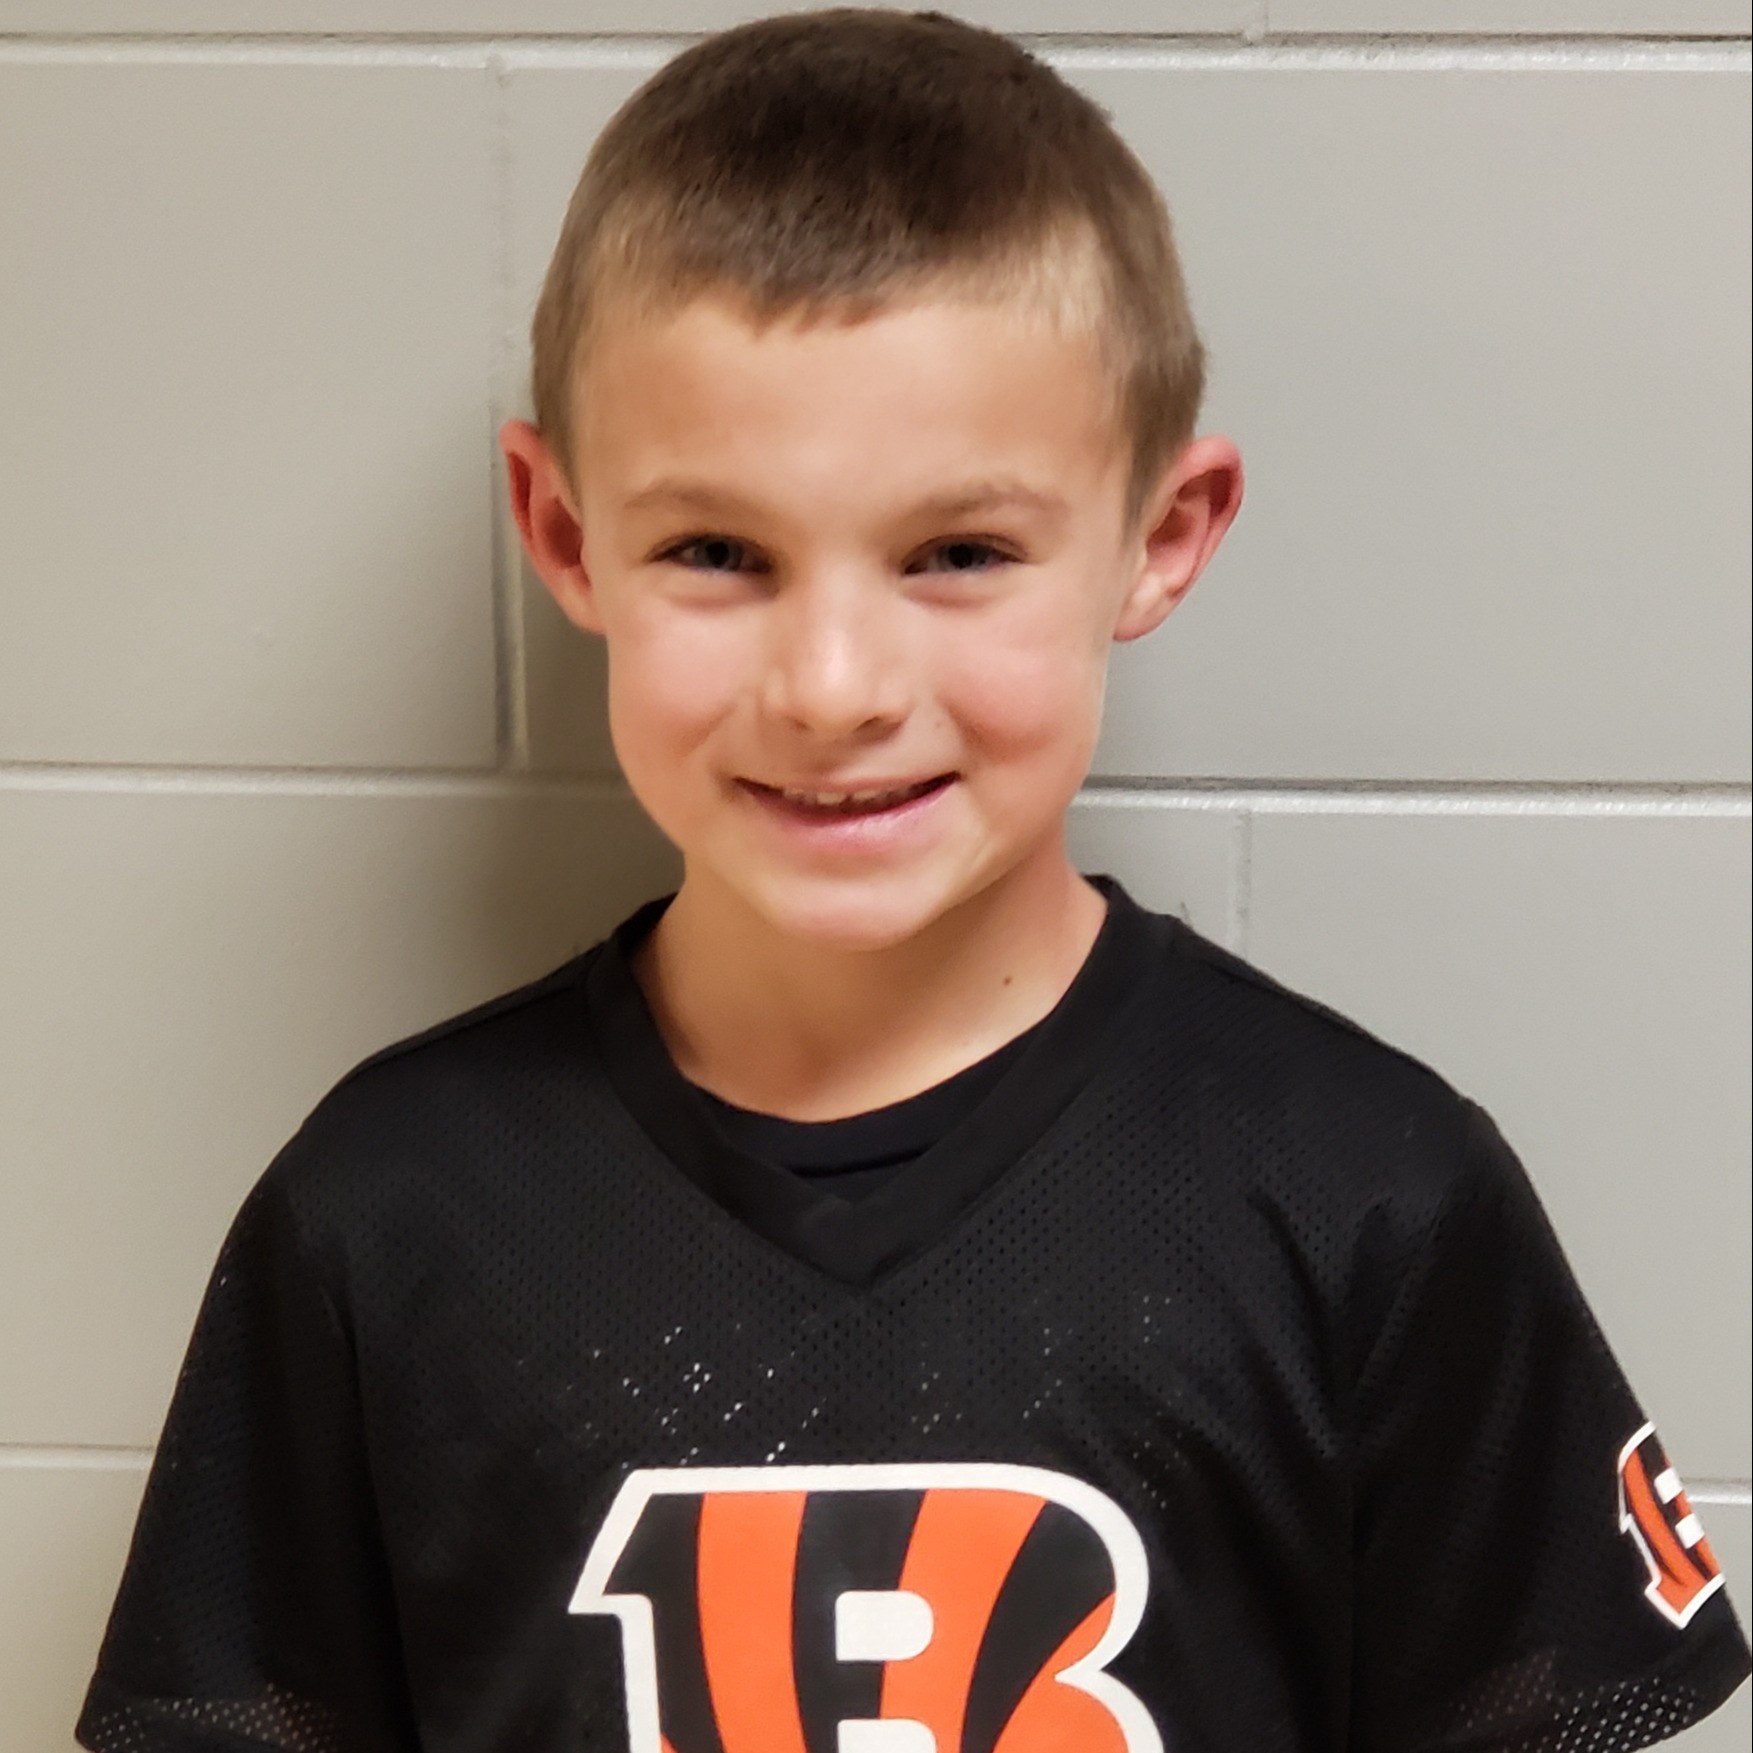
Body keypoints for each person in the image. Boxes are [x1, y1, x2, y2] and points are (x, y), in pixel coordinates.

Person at [79, 11, 1748, 1752]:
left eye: (957, 551)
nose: (832, 685)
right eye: (716, 550)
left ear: (1158, 538)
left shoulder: (1368, 1197)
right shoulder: (386, 1208)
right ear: (565, 531)